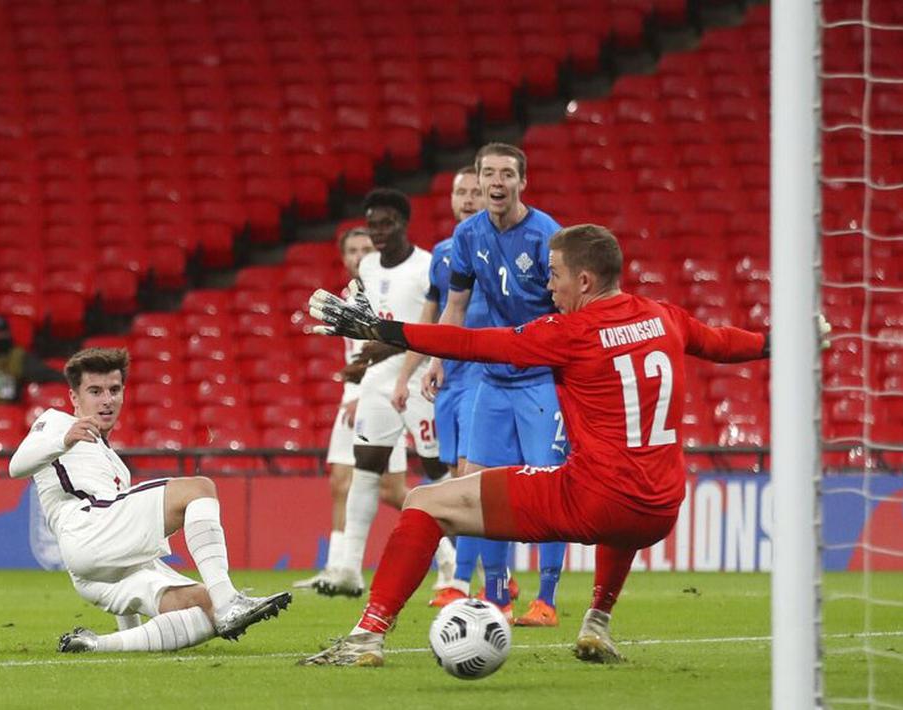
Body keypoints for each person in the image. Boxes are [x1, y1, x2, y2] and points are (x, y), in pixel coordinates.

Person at [301, 223, 773, 666]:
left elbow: (473, 345)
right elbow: (724, 343)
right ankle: (597, 623)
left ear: (584, 280)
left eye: (555, 274)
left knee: (426, 502)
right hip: (661, 507)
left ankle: (367, 635)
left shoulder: (571, 333)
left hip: (594, 500)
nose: (549, 286)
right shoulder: (664, 317)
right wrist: (777, 341)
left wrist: (383, 330)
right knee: (625, 496)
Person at [9, 347, 292, 653]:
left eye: (114, 390)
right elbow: (16, 467)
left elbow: (121, 565)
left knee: (201, 606)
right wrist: (62, 440)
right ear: (75, 398)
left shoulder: (115, 464)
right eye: (95, 391)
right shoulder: (57, 423)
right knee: (199, 488)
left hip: (93, 562)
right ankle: (229, 602)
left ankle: (98, 645)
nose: (107, 400)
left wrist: (123, 627)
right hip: (86, 525)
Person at [422, 143, 568, 625]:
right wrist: (439, 359)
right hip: (492, 377)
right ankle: (499, 597)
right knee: (484, 489)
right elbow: (456, 306)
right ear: (480, 181)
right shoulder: (468, 235)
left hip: (541, 378)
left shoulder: (547, 237)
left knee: (548, 490)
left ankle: (545, 601)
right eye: (489, 173)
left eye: (507, 173)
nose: (497, 182)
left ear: (523, 181)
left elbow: (569, 310)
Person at [312, 189, 453, 599]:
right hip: (376, 380)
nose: (378, 232)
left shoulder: (427, 266)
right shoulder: (369, 267)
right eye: (373, 224)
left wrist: (385, 349)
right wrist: (361, 366)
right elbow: (373, 324)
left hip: (419, 378)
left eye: (386, 224)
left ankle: (453, 565)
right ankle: (350, 570)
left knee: (435, 473)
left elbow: (432, 327)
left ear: (404, 223)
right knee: (366, 469)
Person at [389, 166, 512, 609]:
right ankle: (493, 581)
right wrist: (410, 372)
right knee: (460, 480)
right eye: (460, 191)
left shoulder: (503, 246)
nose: (467, 199)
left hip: (490, 373)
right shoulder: (444, 253)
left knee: (472, 480)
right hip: (451, 379)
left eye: (476, 191)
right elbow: (433, 320)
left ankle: (465, 581)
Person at [295, 227, 411, 591]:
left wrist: (367, 390)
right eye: (352, 250)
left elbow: (399, 345)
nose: (359, 255)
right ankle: (339, 568)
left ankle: (452, 553)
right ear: (343, 257)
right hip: (355, 395)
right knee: (340, 481)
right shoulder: (351, 294)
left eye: (366, 248)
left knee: (392, 490)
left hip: (381, 396)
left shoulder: (388, 291)